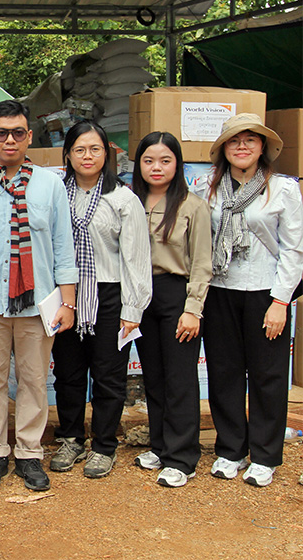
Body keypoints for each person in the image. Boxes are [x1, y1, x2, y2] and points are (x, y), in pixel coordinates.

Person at [0, 100, 77, 492]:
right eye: (2, 133)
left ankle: (28, 453)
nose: (10, 139)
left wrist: (69, 302)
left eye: (18, 132)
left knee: (34, 380)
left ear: (28, 137)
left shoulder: (50, 184)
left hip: (38, 302)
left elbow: (63, 248)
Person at [192, 113, 303, 488]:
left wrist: (280, 301)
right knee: (223, 373)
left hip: (264, 292)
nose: (242, 146)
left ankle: (266, 454)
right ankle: (230, 449)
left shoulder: (282, 189)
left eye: (250, 140)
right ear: (224, 148)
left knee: (267, 376)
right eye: (235, 140)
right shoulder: (206, 187)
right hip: (220, 289)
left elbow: (293, 250)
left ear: (262, 148)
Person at [51, 121, 151, 479]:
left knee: (109, 376)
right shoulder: (55, 193)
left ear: (107, 153)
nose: (87, 156)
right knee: (68, 373)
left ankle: (104, 445)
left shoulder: (123, 199)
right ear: (68, 154)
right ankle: (71, 439)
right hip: (66, 295)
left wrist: (132, 309)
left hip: (110, 296)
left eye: (95, 149)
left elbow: (136, 260)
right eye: (79, 149)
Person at [131, 132, 212, 488]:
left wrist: (192, 308)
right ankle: (162, 446)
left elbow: (202, 263)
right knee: (155, 375)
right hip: (139, 295)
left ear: (177, 163)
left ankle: (183, 457)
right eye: (149, 160)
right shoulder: (130, 201)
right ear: (139, 165)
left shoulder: (192, 205)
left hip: (176, 293)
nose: (157, 167)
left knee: (179, 377)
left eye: (165, 160)